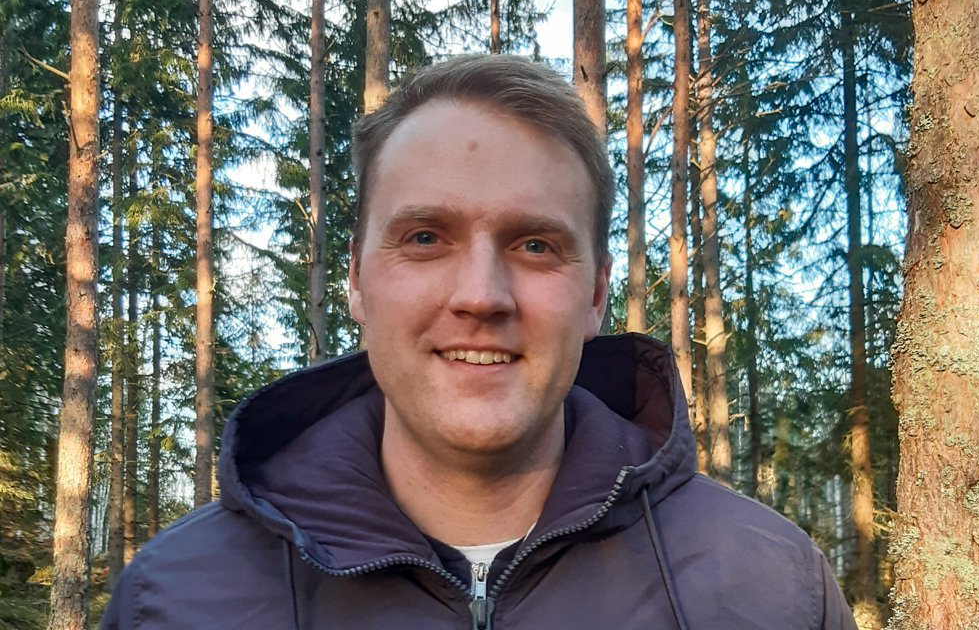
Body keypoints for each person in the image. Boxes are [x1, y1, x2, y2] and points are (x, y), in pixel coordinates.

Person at [102, 55, 857, 629]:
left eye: (535, 246)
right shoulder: (175, 599)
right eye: (426, 237)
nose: (481, 296)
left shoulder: (767, 589)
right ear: (356, 280)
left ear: (596, 295)